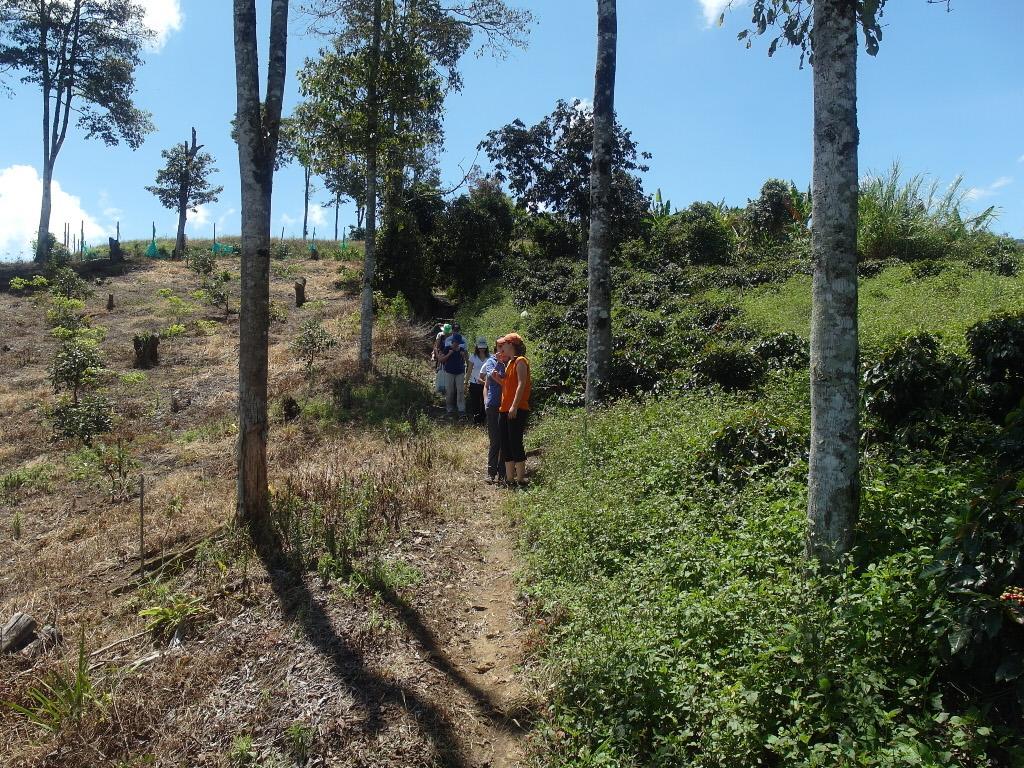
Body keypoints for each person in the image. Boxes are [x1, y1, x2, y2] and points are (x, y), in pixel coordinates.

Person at [496, 333, 531, 486]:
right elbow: (508, 386)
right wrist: (499, 379)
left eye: (504, 344)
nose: (501, 347)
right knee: (505, 443)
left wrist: (514, 406)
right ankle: (510, 479)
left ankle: (521, 478)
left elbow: (521, 384)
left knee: (515, 441)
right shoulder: (510, 363)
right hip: (504, 408)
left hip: (516, 408)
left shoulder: (521, 361)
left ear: (511, 344)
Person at [480, 337, 507, 483]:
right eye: (499, 347)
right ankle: (491, 473)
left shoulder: (510, 362)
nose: (501, 350)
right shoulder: (491, 361)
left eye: (504, 347)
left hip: (506, 405)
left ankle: (503, 473)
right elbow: (492, 377)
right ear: (496, 348)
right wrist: (499, 362)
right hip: (493, 405)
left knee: (504, 440)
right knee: (495, 440)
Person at [438, 325, 468, 415]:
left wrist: (464, 356)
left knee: (460, 391)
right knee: (450, 391)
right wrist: (449, 354)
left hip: (460, 372)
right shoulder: (447, 348)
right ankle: (449, 409)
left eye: (458, 342)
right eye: (456, 342)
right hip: (449, 372)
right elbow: (441, 360)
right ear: (453, 341)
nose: (457, 344)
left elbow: (467, 360)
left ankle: (461, 409)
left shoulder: (462, 349)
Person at [467, 337, 489, 424]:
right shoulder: (473, 357)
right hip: (474, 383)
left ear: (486, 347)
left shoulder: (490, 357)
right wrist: (466, 383)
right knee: (475, 403)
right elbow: (469, 371)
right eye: (480, 347)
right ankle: (476, 421)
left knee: (485, 403)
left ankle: (483, 420)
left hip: (486, 384)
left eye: (483, 347)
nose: (482, 349)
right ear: (477, 347)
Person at [433, 323, 451, 395]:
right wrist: (437, 354)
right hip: (442, 354)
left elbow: (437, 346)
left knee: (446, 370)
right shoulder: (440, 335)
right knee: (441, 370)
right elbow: (437, 346)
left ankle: (445, 388)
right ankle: (442, 388)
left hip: (448, 354)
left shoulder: (450, 336)